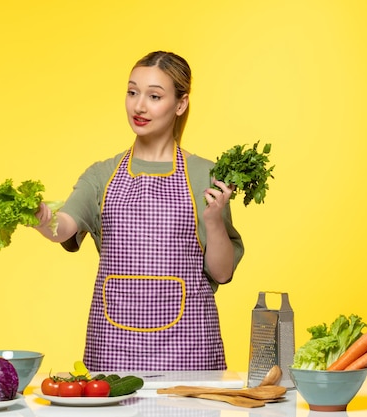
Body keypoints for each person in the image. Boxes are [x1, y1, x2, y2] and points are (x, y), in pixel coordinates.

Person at [34, 51, 244, 371]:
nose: (139, 106)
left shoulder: (206, 175)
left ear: (180, 104)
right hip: (113, 351)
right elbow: (63, 226)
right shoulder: (101, 174)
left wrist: (214, 219)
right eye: (132, 92)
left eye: (154, 96)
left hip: (190, 351)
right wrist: (39, 216)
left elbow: (222, 273)